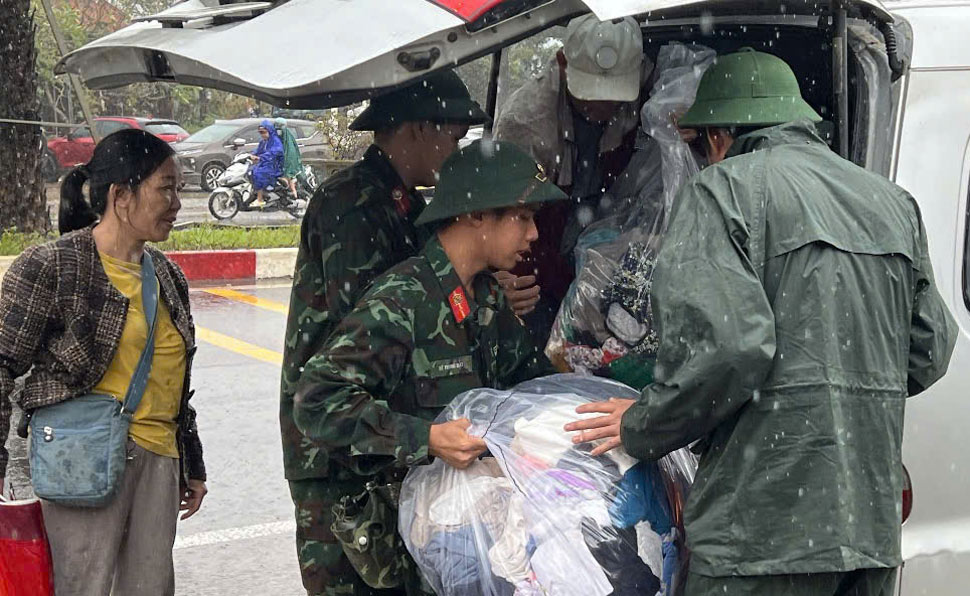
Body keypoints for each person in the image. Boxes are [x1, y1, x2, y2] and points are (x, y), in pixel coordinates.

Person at [565, 48, 958, 596]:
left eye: (700, 146)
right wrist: (840, 393)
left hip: (760, 535)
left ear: (721, 136)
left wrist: (642, 424)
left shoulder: (723, 191)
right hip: (865, 532)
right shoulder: (892, 203)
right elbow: (929, 350)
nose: (702, 160)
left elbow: (728, 350)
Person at [292, 139, 563, 594]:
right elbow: (317, 399)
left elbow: (530, 388)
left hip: (460, 537)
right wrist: (429, 439)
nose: (533, 233)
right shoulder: (404, 299)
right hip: (393, 545)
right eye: (522, 217)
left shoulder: (485, 298)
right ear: (476, 215)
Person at [280, 69, 490, 596]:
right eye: (453, 135)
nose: (456, 150)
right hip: (337, 453)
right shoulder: (352, 205)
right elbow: (371, 333)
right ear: (418, 128)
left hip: (378, 443)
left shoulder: (400, 202)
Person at [0, 129, 207, 595]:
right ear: (121, 195)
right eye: (166, 188)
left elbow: (175, 382)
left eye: (179, 187)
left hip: (159, 464)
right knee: (82, 588)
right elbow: (2, 363)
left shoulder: (169, 278)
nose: (177, 201)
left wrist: (192, 463)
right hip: (81, 461)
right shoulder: (54, 266)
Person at [493, 14, 649, 346]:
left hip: (609, 259)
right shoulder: (526, 125)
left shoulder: (645, 84)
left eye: (615, 93)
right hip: (540, 268)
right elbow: (502, 219)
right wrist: (495, 284)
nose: (605, 105)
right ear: (563, 63)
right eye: (593, 92)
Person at [250, 118, 285, 207]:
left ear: (270, 131)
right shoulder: (263, 142)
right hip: (266, 163)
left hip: (274, 166)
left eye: (264, 132)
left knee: (259, 173)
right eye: (260, 133)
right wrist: (252, 155)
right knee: (250, 171)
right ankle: (257, 192)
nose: (262, 135)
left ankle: (260, 199)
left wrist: (260, 157)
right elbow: (258, 150)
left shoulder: (275, 141)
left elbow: (274, 152)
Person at [275, 117, 303, 196]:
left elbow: (290, 157)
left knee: (289, 181)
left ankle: (294, 195)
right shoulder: (275, 139)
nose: (278, 130)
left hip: (288, 166)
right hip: (278, 166)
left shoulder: (288, 140)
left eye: (280, 127)